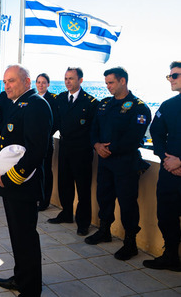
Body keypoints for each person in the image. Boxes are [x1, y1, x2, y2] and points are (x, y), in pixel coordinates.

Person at [0, 65, 52, 296]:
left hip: (23, 185)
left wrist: (9, 180)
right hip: (12, 185)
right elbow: (9, 150)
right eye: (5, 82)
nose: (7, 86)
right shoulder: (18, 104)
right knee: (17, 236)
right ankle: (22, 278)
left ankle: (31, 289)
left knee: (26, 238)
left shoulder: (36, 105)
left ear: (27, 81)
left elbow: (36, 151)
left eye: (11, 81)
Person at [86, 67, 151, 261]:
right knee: (104, 197)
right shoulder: (105, 104)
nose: (107, 87)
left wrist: (109, 149)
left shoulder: (139, 107)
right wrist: (97, 145)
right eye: (106, 83)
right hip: (105, 162)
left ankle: (130, 243)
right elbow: (94, 128)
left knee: (127, 203)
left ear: (123, 81)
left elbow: (134, 137)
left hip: (125, 164)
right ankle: (104, 231)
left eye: (111, 82)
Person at [48, 68, 98, 237]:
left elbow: (94, 129)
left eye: (71, 78)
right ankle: (66, 213)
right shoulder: (61, 98)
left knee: (83, 188)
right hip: (65, 146)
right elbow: (54, 122)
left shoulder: (90, 102)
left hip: (82, 150)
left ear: (80, 80)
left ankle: (83, 222)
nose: (67, 81)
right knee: (64, 183)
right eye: (65, 78)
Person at [143, 61, 181, 271]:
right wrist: (166, 159)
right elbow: (156, 132)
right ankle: (171, 257)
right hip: (169, 172)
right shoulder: (168, 106)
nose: (170, 80)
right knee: (166, 215)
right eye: (169, 76)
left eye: (174, 76)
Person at [35, 73, 58, 211]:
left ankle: (45, 201)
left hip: (46, 142)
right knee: (35, 171)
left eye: (44, 82)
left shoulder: (52, 100)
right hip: (32, 143)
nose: (41, 84)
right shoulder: (33, 99)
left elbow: (55, 122)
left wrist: (44, 134)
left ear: (48, 84)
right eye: (38, 82)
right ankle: (37, 197)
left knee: (46, 172)